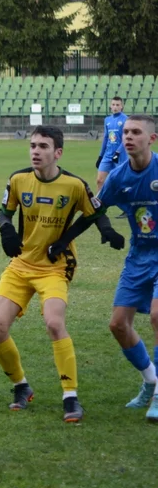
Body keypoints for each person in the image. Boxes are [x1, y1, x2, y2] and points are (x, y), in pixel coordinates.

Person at [0, 126, 123, 423]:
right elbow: (4, 211)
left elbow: (95, 212)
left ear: (57, 152)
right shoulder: (18, 179)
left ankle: (70, 396)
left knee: (53, 323)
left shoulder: (73, 184)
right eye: (33, 145)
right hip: (22, 265)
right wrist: (6, 229)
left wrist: (108, 231)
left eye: (43, 146)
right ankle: (21, 387)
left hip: (55, 266)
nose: (36, 151)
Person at [53, 115, 158, 420]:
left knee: (156, 315)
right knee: (118, 325)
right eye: (125, 132)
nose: (128, 137)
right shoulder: (119, 177)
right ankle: (151, 381)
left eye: (136, 132)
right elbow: (91, 212)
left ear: (150, 139)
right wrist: (64, 240)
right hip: (139, 255)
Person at [96, 96, 127, 189]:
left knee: (120, 182)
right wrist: (100, 156)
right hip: (107, 155)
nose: (115, 107)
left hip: (120, 156)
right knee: (99, 180)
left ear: (122, 106)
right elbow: (106, 138)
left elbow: (126, 138)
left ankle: (122, 202)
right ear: (110, 106)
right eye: (113, 105)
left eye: (117, 105)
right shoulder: (107, 120)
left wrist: (118, 153)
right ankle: (99, 203)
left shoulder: (126, 119)